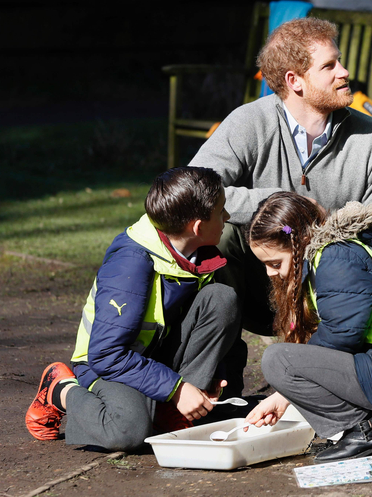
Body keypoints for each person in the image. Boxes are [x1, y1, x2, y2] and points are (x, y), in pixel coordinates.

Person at [189, 18, 372, 395]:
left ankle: (349, 375)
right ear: (294, 81)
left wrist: (323, 239)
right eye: (329, 66)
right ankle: (217, 382)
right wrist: (277, 203)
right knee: (215, 236)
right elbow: (194, 189)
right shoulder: (248, 122)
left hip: (333, 291)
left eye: (340, 62)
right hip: (260, 287)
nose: (345, 72)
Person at [25, 167, 241, 451]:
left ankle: (171, 413)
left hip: (154, 358)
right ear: (198, 227)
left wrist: (207, 379)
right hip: (107, 363)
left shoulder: (202, 254)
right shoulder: (130, 264)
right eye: (221, 211)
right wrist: (176, 389)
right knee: (127, 432)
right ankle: (60, 389)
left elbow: (212, 327)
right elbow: (106, 355)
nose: (226, 218)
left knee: (222, 298)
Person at [242, 192, 372, 462]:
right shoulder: (340, 252)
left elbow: (342, 335)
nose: (270, 273)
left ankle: (370, 429)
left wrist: (285, 393)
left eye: (275, 263)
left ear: (297, 242)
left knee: (278, 361)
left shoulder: (337, 256)